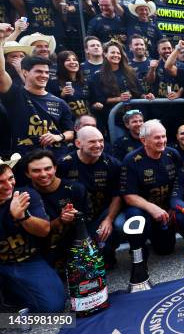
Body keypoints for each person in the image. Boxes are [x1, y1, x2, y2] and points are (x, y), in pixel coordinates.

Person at [0, 153, 65, 312]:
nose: (9, 186)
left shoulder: (25, 195)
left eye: (10, 178)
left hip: (27, 260)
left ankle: (11, 295)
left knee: (54, 308)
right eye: (0, 182)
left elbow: (44, 230)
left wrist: (23, 217)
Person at [57, 126, 122, 268]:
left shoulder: (113, 164)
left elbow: (117, 196)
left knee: (106, 263)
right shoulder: (64, 164)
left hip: (102, 213)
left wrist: (109, 220)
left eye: (101, 141)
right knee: (74, 265)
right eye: (92, 142)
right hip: (74, 217)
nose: (98, 145)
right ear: (78, 144)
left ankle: (108, 251)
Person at [0, 36, 74, 157]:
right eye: (39, 71)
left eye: (46, 72)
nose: (44, 75)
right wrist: (1, 40)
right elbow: (1, 73)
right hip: (25, 161)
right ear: (25, 72)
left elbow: (70, 132)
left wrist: (57, 137)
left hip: (56, 160)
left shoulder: (60, 103)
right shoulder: (14, 94)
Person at [120, 120, 182, 255]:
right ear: (144, 140)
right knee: (133, 215)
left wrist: (173, 205)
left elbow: (180, 183)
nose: (162, 141)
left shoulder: (173, 154)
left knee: (165, 250)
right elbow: (129, 196)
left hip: (166, 209)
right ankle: (138, 249)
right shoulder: (131, 160)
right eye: (157, 137)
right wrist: (152, 208)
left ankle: (154, 236)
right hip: (142, 209)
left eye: (163, 136)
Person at [23, 149, 88, 267]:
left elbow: (88, 222)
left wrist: (76, 217)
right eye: (36, 170)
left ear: (55, 168)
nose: (43, 174)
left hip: (73, 244)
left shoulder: (76, 189)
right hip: (40, 249)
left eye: (47, 168)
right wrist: (60, 220)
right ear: (27, 173)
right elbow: (36, 232)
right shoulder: (25, 196)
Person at [47, 50, 89, 119]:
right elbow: (51, 107)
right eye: (68, 60)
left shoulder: (84, 81)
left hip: (86, 122)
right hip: (67, 124)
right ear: (61, 64)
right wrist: (62, 95)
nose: (72, 62)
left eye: (74, 60)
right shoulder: (53, 83)